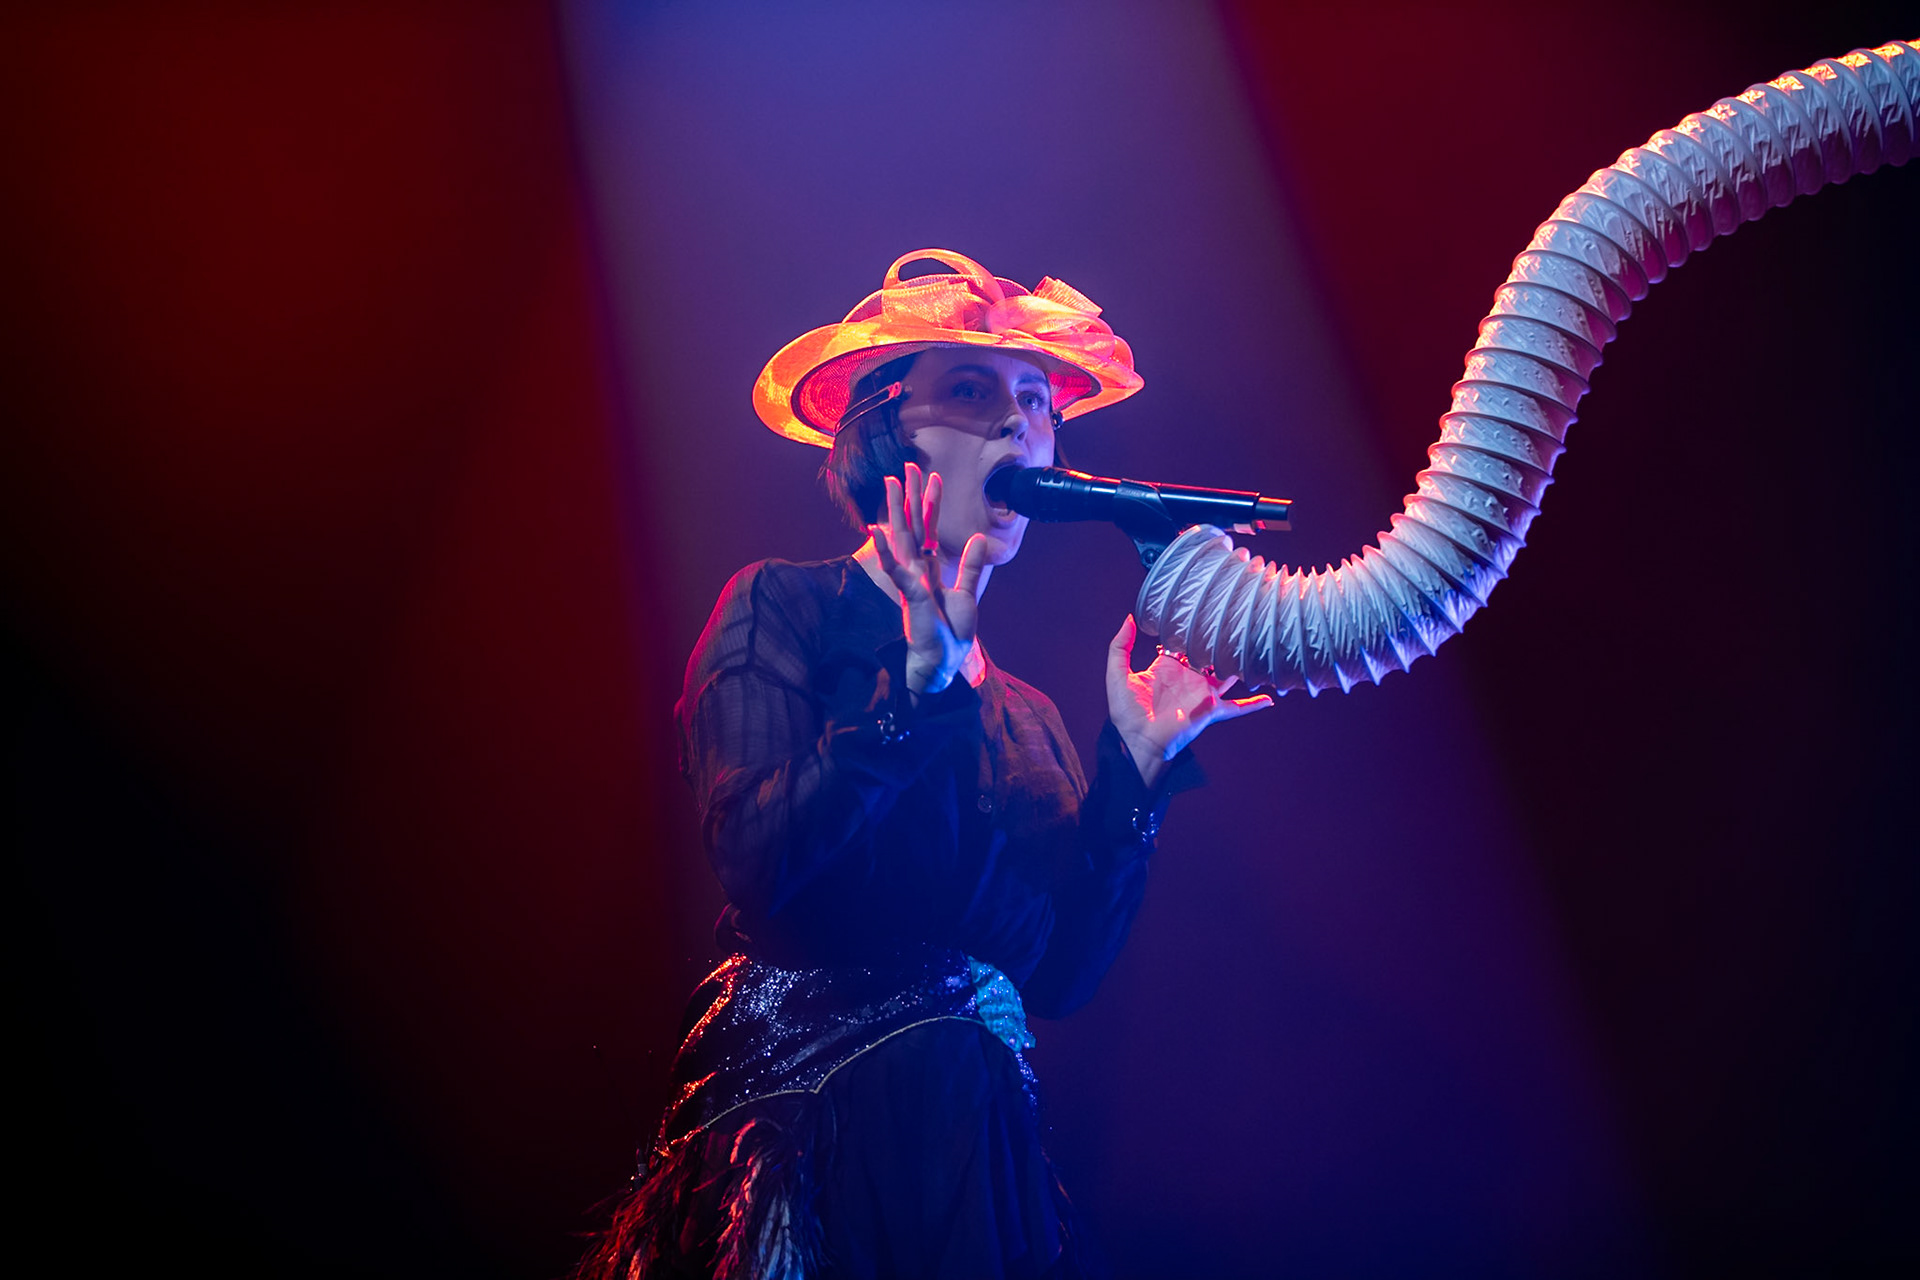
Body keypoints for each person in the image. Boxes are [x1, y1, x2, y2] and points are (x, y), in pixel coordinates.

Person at [579, 250, 1271, 1280]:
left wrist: (1135, 767)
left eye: (1037, 401)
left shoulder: (1026, 712)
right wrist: (909, 695)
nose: (1018, 423)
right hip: (814, 1145)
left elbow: (1060, 973)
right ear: (883, 432)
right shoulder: (782, 605)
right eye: (970, 390)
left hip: (963, 1149)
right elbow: (759, 859)